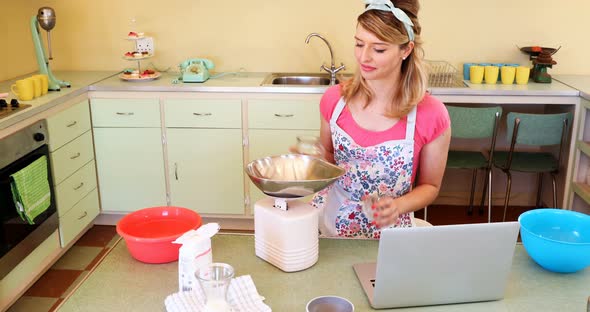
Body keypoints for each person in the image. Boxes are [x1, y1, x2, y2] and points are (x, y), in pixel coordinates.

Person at [311, 0, 451, 238]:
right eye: (358, 44)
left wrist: (398, 206)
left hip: (390, 234)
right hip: (330, 225)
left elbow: (430, 186)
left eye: (379, 49)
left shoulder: (431, 114)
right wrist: (313, 160)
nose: (364, 57)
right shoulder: (334, 100)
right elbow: (328, 156)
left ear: (405, 50)